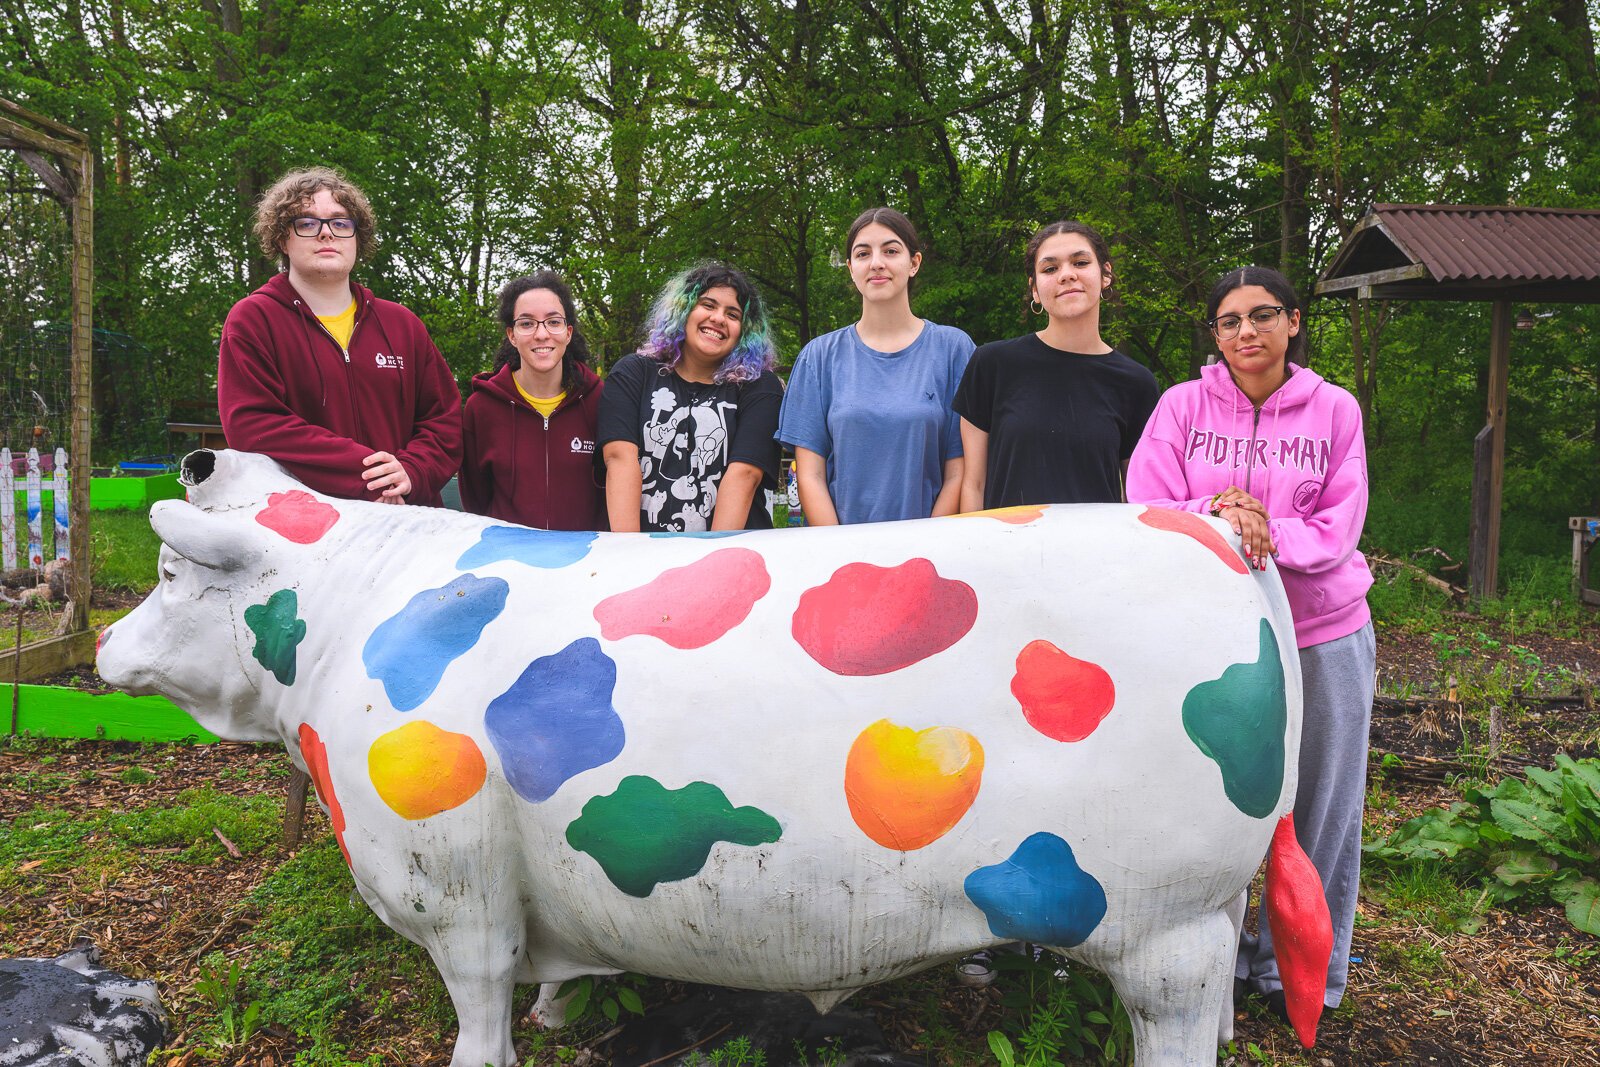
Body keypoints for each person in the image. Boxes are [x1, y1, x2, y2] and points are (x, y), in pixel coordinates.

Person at [1125, 265, 1375, 1019]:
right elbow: (1146, 500)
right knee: (1219, 802)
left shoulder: (1333, 409)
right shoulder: (1181, 405)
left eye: (1261, 315)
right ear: (1214, 336)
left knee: (1325, 804)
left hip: (1324, 630)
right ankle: (1221, 962)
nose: (1245, 333)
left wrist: (1259, 527)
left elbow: (1337, 528)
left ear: (1293, 321)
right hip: (1215, 636)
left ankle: (1305, 976)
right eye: (1228, 321)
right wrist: (1227, 512)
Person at [218, 167, 461, 506]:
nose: (326, 234)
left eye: (341, 223)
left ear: (357, 239)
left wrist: (410, 472)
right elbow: (254, 424)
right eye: (306, 223)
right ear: (281, 239)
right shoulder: (255, 319)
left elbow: (443, 419)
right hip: (307, 532)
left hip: (407, 521)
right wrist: (369, 476)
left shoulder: (402, 324)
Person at [776, 208, 973, 524]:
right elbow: (809, 475)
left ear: (914, 263)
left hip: (931, 552)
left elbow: (958, 470)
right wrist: (843, 554)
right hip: (844, 556)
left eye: (891, 251)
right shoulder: (818, 357)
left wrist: (929, 546)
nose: (877, 262)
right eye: (863, 253)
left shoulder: (954, 349)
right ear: (851, 268)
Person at [954, 220, 1159, 510]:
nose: (1066, 275)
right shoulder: (992, 365)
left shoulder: (1137, 383)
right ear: (1035, 290)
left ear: (1106, 275)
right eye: (1050, 269)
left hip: (1096, 551)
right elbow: (974, 485)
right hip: (1005, 550)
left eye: (1080, 262)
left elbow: (1138, 498)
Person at [597, 263, 782, 532]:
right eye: (708, 305)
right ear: (684, 310)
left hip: (728, 556)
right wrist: (630, 556)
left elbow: (745, 475)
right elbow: (619, 459)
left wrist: (713, 562)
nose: (718, 318)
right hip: (639, 553)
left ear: (745, 330)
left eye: (733, 314)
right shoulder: (633, 372)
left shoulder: (760, 386)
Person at [460, 272, 605, 530]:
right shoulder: (481, 408)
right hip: (508, 562)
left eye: (553, 322)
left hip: (587, 563)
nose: (541, 334)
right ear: (512, 335)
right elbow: (476, 501)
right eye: (527, 323)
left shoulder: (600, 401)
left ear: (568, 332)